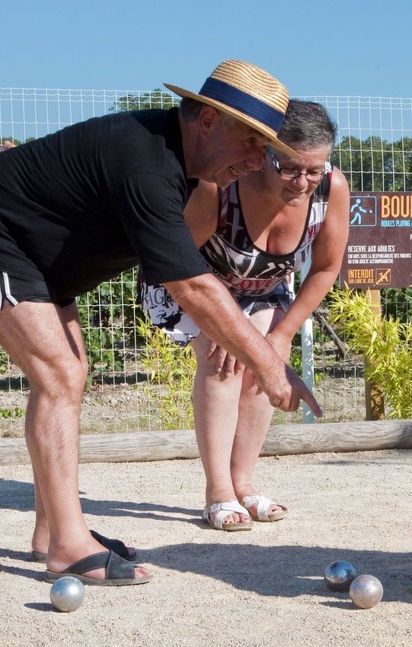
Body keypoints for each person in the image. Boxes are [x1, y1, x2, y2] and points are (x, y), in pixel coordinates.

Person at [0, 60, 321, 587]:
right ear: (209, 120)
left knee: (70, 374)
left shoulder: (182, 164)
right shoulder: (148, 165)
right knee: (58, 376)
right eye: (251, 142)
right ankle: (68, 546)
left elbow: (188, 255)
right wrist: (270, 366)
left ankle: (53, 532)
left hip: (40, 256)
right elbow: (191, 285)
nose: (257, 161)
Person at [139, 100, 350, 531]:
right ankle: (218, 492)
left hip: (263, 288)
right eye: (289, 168)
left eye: (314, 170)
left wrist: (281, 337)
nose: (303, 182)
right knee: (224, 364)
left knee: (264, 365)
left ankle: (244, 484)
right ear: (264, 151)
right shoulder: (223, 184)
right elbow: (181, 264)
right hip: (196, 282)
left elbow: (327, 268)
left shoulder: (332, 187)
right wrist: (222, 326)